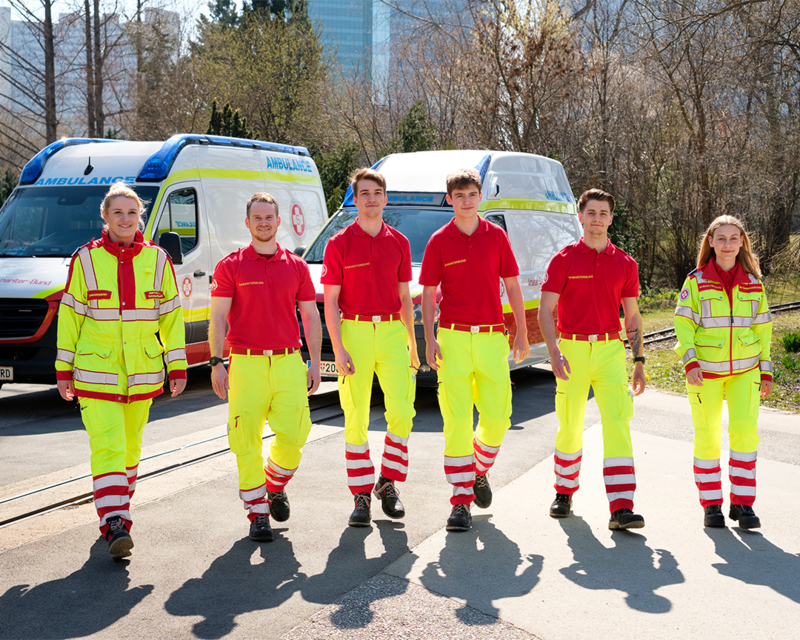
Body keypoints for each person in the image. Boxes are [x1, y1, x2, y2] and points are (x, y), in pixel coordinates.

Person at [56, 182, 187, 559]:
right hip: (95, 373)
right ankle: (115, 521)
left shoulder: (158, 259)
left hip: (142, 374)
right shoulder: (85, 259)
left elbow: (171, 318)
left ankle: (116, 512)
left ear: (140, 217)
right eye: (118, 213)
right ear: (105, 217)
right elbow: (70, 317)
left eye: (132, 213)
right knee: (109, 446)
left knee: (131, 449)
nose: (125, 219)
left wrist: (176, 364)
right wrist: (64, 369)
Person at [420, 168, 529, 532]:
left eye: (471, 195)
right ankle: (460, 500)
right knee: (456, 419)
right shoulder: (438, 240)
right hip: (451, 338)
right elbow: (428, 294)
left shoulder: (496, 236)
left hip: (492, 337)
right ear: (449, 199)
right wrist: (429, 337)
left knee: (498, 418)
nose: (466, 201)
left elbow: (512, 286)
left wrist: (522, 333)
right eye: (459, 195)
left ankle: (477, 469)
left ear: (479, 197)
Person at [209, 193, 322, 542]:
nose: (263, 223)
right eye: (256, 217)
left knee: (296, 434)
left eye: (269, 217)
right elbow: (217, 317)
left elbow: (310, 315)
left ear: (278, 221)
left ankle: (273, 485)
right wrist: (216, 362)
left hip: (289, 360)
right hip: (246, 363)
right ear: (247, 223)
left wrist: (315, 361)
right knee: (245, 440)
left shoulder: (297, 266)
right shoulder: (231, 265)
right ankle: (257, 513)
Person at [538, 188, 646, 530]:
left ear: (610, 219)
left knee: (618, 422)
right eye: (592, 213)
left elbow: (632, 317)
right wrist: (553, 352)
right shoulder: (563, 259)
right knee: (570, 424)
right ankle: (564, 492)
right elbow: (545, 311)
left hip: (610, 350)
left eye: (603, 213)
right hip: (571, 349)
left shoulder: (625, 263)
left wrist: (639, 359)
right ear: (580, 216)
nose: (597, 218)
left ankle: (621, 507)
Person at [322, 168, 419, 527]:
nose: (371, 198)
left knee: (403, 412)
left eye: (376, 192)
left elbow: (405, 298)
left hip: (393, 331)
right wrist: (338, 347)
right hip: (355, 332)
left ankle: (388, 482)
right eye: (364, 193)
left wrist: (412, 343)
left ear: (385, 198)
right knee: (356, 417)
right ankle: (361, 494)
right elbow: (331, 302)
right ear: (355, 199)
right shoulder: (339, 243)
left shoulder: (399, 242)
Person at [674, 215, 772, 529]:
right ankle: (711, 504)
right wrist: (690, 361)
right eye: (721, 238)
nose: (728, 244)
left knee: (745, 432)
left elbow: (764, 328)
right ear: (711, 243)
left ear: (742, 242)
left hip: (746, 371)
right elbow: (683, 323)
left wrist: (766, 370)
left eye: (733, 238)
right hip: (706, 372)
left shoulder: (754, 283)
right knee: (708, 436)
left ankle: (743, 503)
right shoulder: (696, 280)